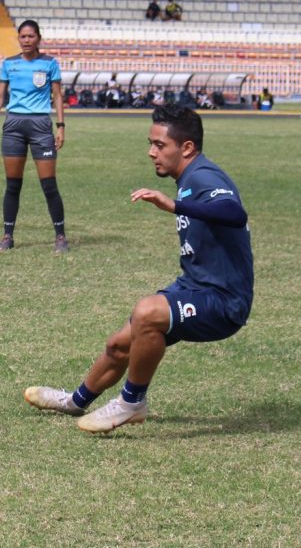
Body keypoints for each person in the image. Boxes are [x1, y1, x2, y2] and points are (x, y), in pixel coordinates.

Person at [24, 105, 253, 435]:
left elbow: (235, 213)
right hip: (194, 286)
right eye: (151, 144)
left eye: (160, 145)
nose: (151, 152)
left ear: (187, 147)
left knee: (147, 313)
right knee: (119, 344)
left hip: (224, 301)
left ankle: (132, 402)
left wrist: (174, 205)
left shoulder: (204, 176)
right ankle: (74, 401)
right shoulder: (189, 178)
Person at [0, 20, 68, 254]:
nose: (27, 40)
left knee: (49, 185)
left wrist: (60, 126)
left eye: (31, 36)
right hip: (14, 126)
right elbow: (0, 96)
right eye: (23, 36)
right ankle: (7, 236)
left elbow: (58, 96)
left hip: (40, 125)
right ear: (18, 39)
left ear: (38, 38)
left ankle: (60, 236)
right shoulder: (9, 63)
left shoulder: (50, 63)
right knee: (13, 185)